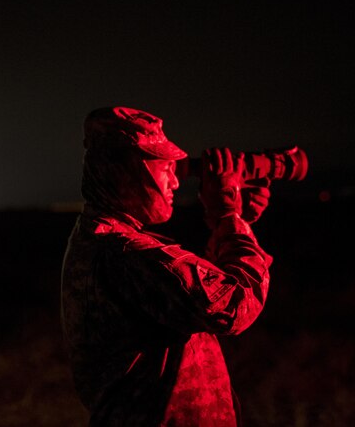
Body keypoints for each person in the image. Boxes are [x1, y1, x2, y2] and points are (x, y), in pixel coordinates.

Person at [60, 105, 274, 426]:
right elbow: (235, 303)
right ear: (124, 171)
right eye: (164, 168)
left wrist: (232, 224)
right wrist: (229, 218)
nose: (175, 182)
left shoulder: (97, 237)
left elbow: (191, 293)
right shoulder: (127, 252)